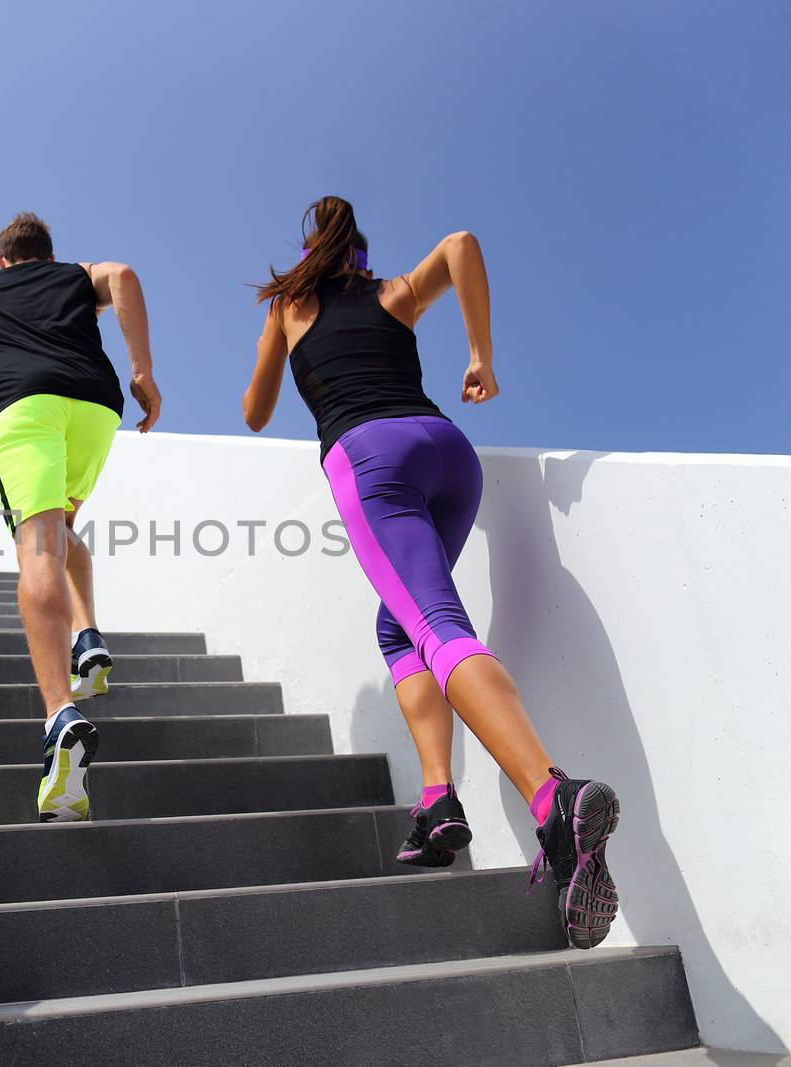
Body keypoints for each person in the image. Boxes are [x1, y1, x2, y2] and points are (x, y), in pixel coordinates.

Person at [241, 195, 620, 949]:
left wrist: (282, 345)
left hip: (371, 454)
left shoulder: (290, 303)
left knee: (437, 628)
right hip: (449, 451)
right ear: (362, 256)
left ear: (314, 254)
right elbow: (461, 242)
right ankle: (439, 798)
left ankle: (553, 797)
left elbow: (255, 410)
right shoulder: (396, 293)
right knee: (399, 627)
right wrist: (479, 356)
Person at [0, 211, 161, 823]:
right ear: (47, 254)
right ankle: (87, 635)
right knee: (59, 529)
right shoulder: (78, 276)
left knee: (38, 548)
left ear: (3, 259)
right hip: (94, 407)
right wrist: (143, 373)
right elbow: (126, 275)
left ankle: (60, 714)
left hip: (24, 407)